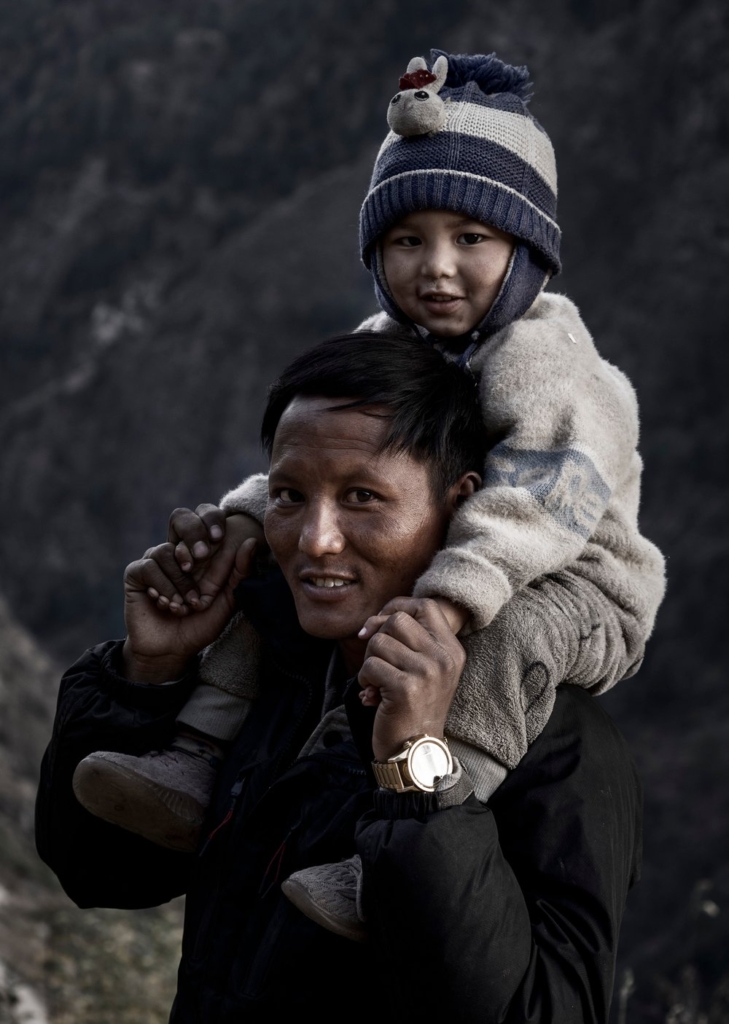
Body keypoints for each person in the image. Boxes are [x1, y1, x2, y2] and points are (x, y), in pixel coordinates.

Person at [70, 50, 664, 937]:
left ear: (528, 251)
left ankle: (409, 826)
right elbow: (308, 463)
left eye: (472, 239)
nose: (436, 267)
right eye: (405, 240)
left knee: (498, 644)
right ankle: (193, 758)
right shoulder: (390, 342)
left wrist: (450, 604)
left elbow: (540, 505)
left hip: (572, 579)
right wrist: (240, 522)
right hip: (463, 559)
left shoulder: (553, 369)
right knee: (259, 577)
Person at [36, 334, 642, 1022]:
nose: (314, 539)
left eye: (361, 497)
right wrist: (147, 675)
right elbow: (100, 873)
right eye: (290, 496)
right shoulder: (273, 682)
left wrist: (416, 775)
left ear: (461, 506)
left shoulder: (558, 746)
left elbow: (540, 1012)